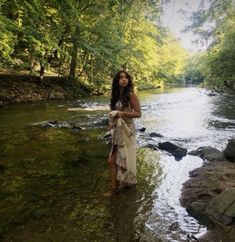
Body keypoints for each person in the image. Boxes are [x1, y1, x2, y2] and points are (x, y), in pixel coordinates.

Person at [107, 70, 141, 194]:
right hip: (117, 130)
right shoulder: (115, 95)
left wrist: (123, 113)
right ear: (117, 81)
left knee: (116, 160)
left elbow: (138, 113)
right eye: (121, 77)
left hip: (127, 131)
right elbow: (114, 113)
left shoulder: (131, 95)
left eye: (126, 77)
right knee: (114, 161)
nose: (124, 79)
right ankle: (117, 187)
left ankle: (115, 189)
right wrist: (111, 123)